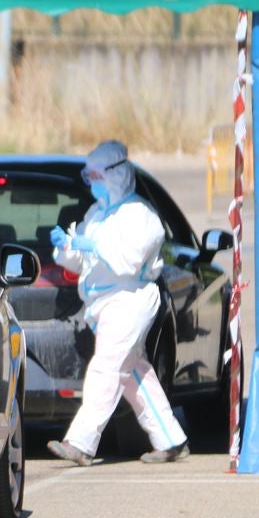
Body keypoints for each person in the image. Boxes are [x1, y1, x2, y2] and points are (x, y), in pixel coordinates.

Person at [46, 140, 189, 466]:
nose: (92, 182)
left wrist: (93, 243)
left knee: (107, 366)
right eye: (89, 175)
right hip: (103, 303)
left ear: (117, 174)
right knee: (134, 374)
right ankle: (170, 439)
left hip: (131, 299)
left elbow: (129, 262)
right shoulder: (96, 215)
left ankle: (80, 442)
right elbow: (80, 261)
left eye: (96, 175)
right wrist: (66, 247)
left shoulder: (142, 216)